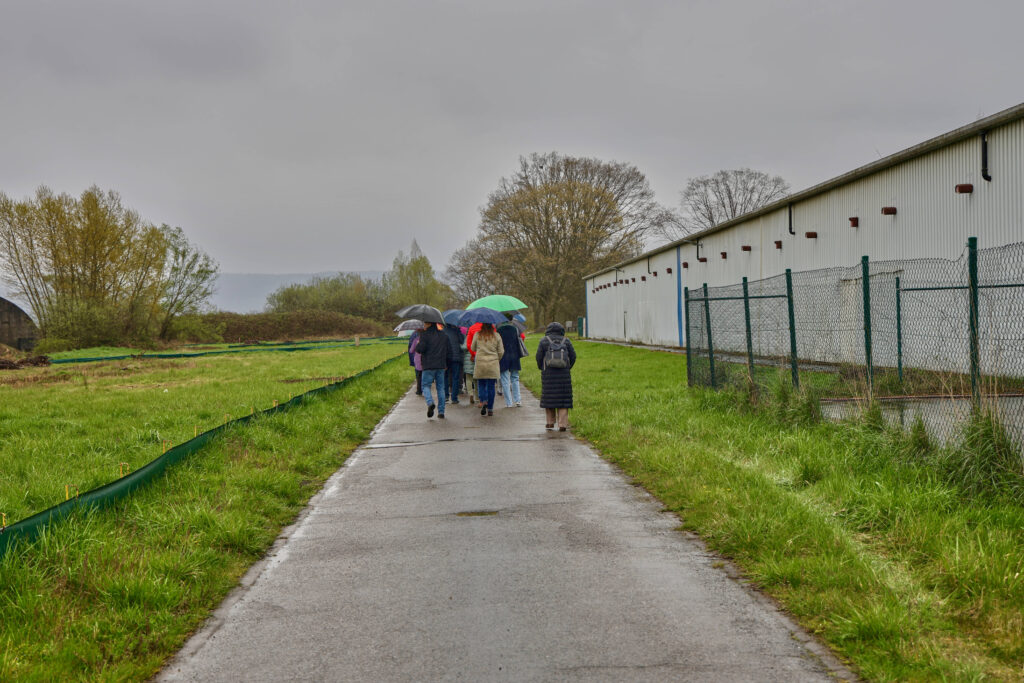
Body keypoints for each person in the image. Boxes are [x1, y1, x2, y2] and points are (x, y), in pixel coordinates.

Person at [536, 322, 576, 431]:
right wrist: (567, 367)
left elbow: (538, 357)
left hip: (548, 374)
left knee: (549, 398)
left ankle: (549, 422)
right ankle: (562, 424)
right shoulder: (566, 341)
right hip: (564, 375)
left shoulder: (544, 341)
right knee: (563, 400)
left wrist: (542, 368)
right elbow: (573, 356)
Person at [416, 322, 451, 419]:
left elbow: (420, 349)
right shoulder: (444, 335)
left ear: (429, 324)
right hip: (441, 365)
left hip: (428, 365)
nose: (423, 325)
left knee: (425, 386)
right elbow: (449, 351)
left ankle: (430, 402)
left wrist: (418, 344)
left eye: (425, 323)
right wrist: (446, 364)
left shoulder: (424, 335)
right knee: (441, 388)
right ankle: (441, 412)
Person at [470, 322, 504, 417]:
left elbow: (473, 347)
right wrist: (497, 359)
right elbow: (501, 351)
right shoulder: (496, 336)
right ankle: (490, 408)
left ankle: (483, 401)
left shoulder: (477, 335)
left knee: (481, 384)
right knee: (491, 386)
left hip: (480, 363)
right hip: (492, 363)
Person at [497, 319, 525, 407]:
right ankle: (518, 400)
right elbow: (520, 339)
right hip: (514, 355)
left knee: (505, 380)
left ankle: (509, 403)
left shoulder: (498, 330)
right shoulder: (515, 328)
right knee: (515, 378)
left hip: (503, 356)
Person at [442, 321, 464, 405]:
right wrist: (458, 330)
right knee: (455, 377)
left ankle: (446, 396)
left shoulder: (443, 331)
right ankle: (454, 398)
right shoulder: (456, 331)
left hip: (446, 357)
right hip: (456, 357)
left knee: (445, 377)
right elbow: (462, 341)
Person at [460, 326, 477, 404]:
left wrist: (460, 345)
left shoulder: (468, 337)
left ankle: (470, 394)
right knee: (476, 380)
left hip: (468, 359)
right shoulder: (478, 335)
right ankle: (477, 396)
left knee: (468, 378)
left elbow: (464, 347)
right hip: (476, 359)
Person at [407, 329, 423, 395]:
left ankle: (419, 390)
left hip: (418, 360)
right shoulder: (427, 339)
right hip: (426, 360)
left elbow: (411, 351)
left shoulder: (415, 339)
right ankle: (424, 388)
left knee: (418, 375)